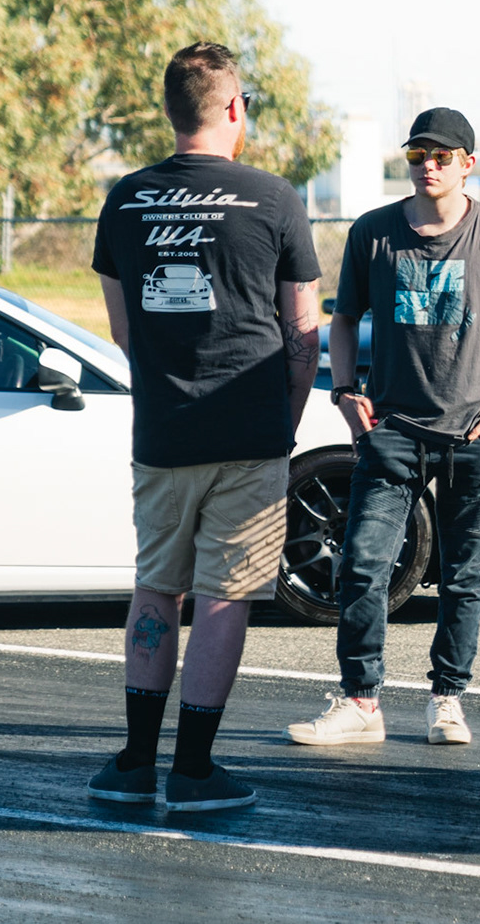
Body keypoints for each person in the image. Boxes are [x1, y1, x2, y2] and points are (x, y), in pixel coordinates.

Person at [85, 42, 323, 811]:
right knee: (225, 594)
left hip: (163, 434)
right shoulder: (273, 198)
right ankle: (192, 770)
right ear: (233, 108)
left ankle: (133, 763)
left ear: (170, 111)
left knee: (156, 586)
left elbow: (123, 328)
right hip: (248, 434)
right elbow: (304, 333)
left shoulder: (126, 199)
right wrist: (284, 420)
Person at [284, 108, 480, 748]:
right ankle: (360, 702)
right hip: (393, 433)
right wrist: (345, 393)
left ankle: (448, 700)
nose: (428, 165)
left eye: (441, 156)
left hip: (470, 435)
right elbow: (344, 319)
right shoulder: (374, 231)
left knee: (463, 578)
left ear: (468, 164)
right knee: (363, 567)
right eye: (417, 155)